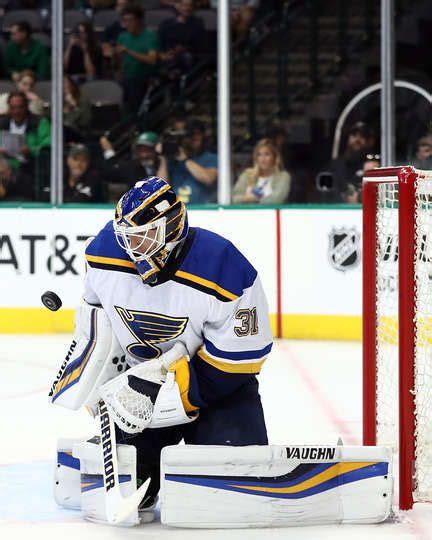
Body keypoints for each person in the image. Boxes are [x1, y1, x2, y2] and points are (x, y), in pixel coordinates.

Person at [80, 176, 272, 518]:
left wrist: (170, 392)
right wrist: (100, 383)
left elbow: (239, 361)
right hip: (139, 391)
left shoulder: (224, 265)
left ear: (171, 226)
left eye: (142, 238)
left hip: (217, 394)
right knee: (134, 484)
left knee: (234, 491)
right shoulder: (104, 254)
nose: (132, 249)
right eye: (127, 239)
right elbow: (97, 327)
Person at [116, 5, 160, 113]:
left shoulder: (150, 36)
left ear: (139, 20)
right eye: (125, 21)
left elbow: (152, 60)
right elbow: (120, 60)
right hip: (126, 77)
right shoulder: (122, 37)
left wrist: (128, 51)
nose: (127, 24)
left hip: (143, 78)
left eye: (130, 20)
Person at [167, 119, 218, 204]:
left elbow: (208, 179)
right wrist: (162, 156)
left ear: (203, 136)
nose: (194, 138)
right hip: (177, 212)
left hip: (201, 211)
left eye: (197, 134)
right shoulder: (172, 160)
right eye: (189, 135)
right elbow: (160, 188)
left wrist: (184, 159)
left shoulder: (212, 158)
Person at [0, 91, 51, 169]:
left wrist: (31, 150)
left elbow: (48, 144)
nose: (17, 111)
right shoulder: (2, 124)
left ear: (27, 106)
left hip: (33, 167)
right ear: (9, 108)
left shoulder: (40, 123)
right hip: (5, 167)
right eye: (13, 107)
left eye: (20, 107)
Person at [327, 121, 375, 202]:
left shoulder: (374, 167)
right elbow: (328, 194)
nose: (357, 139)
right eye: (354, 135)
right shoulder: (336, 165)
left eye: (363, 136)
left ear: (370, 142)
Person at [232, 138, 291, 204]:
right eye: (259, 155)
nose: (263, 159)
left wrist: (254, 199)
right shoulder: (247, 174)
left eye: (267, 154)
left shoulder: (283, 176)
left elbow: (277, 199)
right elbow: (233, 198)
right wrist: (245, 198)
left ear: (275, 157)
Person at [100, 130, 168, 186]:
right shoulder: (131, 167)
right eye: (140, 151)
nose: (143, 155)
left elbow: (162, 187)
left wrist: (162, 159)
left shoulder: (167, 164)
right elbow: (108, 173)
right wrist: (109, 152)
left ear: (156, 150)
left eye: (148, 150)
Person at [158, 0, 206, 77]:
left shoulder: (198, 24)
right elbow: (160, 42)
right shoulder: (166, 24)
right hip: (167, 53)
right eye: (184, 5)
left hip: (186, 55)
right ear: (178, 6)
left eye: (190, 5)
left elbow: (199, 46)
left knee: (187, 57)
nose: (187, 8)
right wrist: (162, 54)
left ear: (193, 8)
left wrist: (183, 49)